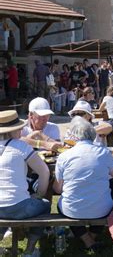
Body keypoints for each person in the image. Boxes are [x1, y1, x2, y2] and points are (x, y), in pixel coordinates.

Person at [53, 117, 113, 251]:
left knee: (67, 205)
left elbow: (57, 188)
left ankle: (87, 240)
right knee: (105, 201)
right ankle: (91, 238)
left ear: (73, 136)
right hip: (102, 209)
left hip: (72, 210)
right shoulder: (103, 152)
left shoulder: (64, 156)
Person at [0, 110, 51, 257]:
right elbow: (44, 172)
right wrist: (38, 195)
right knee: (45, 204)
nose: (22, 130)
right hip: (19, 207)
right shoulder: (21, 146)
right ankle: (29, 250)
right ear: (13, 131)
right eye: (19, 128)